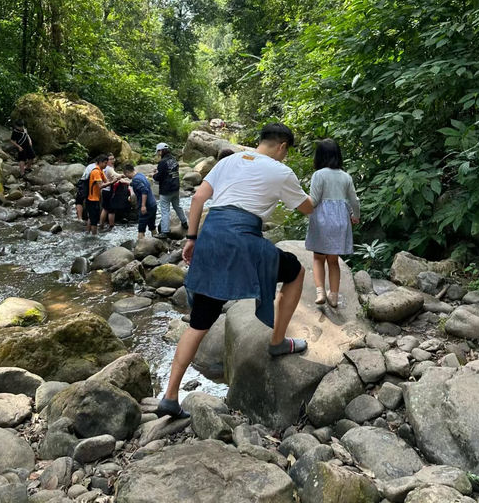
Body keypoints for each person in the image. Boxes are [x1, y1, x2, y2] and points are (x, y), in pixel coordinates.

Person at [156, 123, 315, 418]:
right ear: (282, 146)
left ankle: (169, 396)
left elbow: (198, 199)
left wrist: (192, 238)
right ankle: (278, 342)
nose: (285, 156)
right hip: (243, 240)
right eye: (287, 152)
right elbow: (307, 208)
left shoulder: (228, 161)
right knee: (294, 271)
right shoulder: (281, 172)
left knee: (200, 321)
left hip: (212, 235)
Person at [305, 138, 360, 308]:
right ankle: (334, 295)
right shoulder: (346, 176)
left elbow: (313, 201)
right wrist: (355, 215)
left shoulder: (319, 175)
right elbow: (354, 200)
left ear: (319, 157)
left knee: (318, 258)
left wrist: (300, 200)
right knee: (334, 261)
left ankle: (320, 291)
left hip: (322, 220)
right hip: (340, 221)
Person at [153, 142, 187, 238]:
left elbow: (159, 177)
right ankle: (184, 222)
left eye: (158, 152)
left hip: (166, 190)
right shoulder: (174, 160)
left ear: (161, 151)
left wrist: (154, 175)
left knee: (165, 210)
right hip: (175, 188)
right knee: (177, 206)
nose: (158, 154)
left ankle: (165, 231)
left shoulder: (162, 162)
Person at [123, 163, 157, 239]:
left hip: (146, 206)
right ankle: (157, 241)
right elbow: (139, 185)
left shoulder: (136, 180)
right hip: (153, 204)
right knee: (152, 225)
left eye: (126, 175)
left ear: (127, 172)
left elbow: (144, 191)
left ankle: (140, 245)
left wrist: (143, 205)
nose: (126, 176)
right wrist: (127, 182)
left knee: (141, 227)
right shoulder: (140, 175)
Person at [99, 154, 127, 230]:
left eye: (113, 159)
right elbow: (115, 176)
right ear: (106, 161)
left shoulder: (104, 168)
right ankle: (111, 226)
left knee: (105, 208)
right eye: (110, 159)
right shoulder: (108, 168)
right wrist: (124, 175)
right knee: (111, 210)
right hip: (108, 190)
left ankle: (101, 225)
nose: (112, 161)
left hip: (104, 190)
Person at [85, 155, 108, 235]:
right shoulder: (96, 172)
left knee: (91, 217)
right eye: (105, 163)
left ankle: (87, 233)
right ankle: (94, 237)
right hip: (92, 199)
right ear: (100, 162)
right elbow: (101, 185)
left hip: (95, 198)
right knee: (94, 219)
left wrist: (117, 179)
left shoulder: (100, 171)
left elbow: (106, 181)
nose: (106, 165)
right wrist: (113, 182)